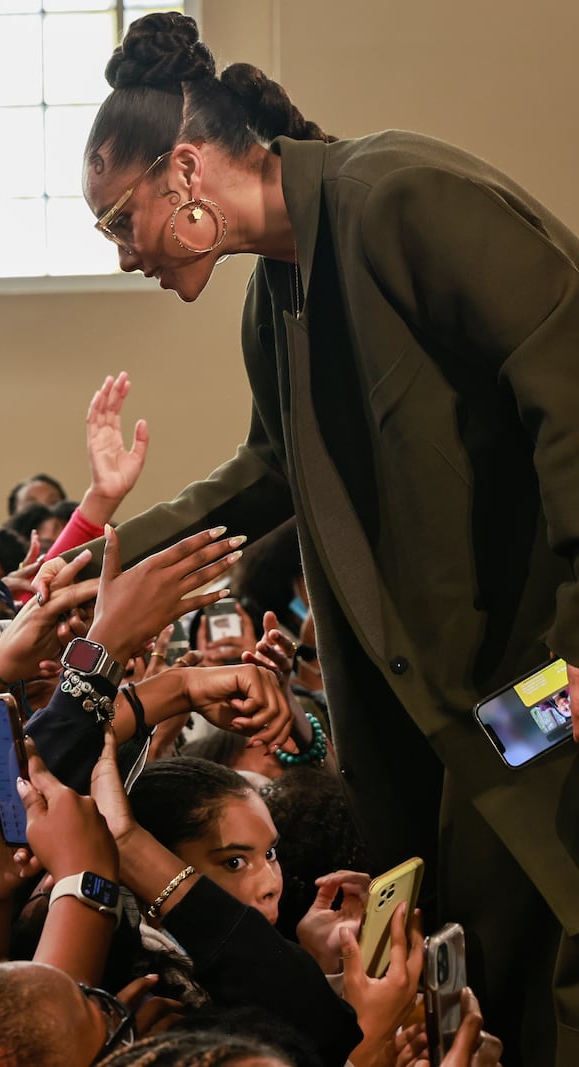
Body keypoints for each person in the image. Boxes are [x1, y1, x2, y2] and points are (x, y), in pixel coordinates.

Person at [81, 13, 579, 1057]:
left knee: (558, 913)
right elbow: (272, 466)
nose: (122, 255)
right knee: (494, 957)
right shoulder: (278, 294)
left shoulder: (400, 195)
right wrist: (101, 552)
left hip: (550, 669)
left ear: (183, 172)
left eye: (117, 221)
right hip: (464, 708)